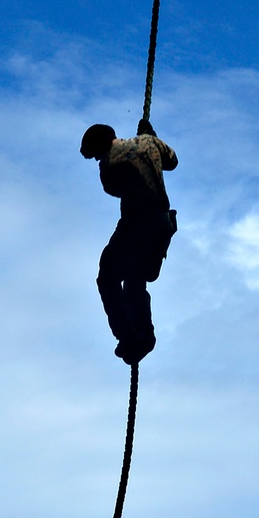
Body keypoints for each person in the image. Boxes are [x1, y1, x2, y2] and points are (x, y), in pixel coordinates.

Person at [80, 119, 178, 365]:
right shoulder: (148, 142)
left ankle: (129, 337)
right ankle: (143, 336)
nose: (96, 160)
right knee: (135, 282)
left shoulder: (109, 165)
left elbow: (113, 188)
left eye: (95, 156)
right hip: (161, 224)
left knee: (107, 278)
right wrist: (151, 137)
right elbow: (172, 161)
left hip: (137, 227)